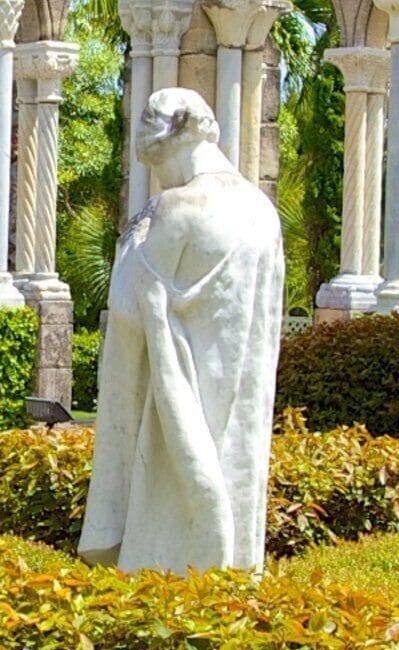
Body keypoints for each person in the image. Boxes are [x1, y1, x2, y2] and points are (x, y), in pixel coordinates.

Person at [81, 86, 285, 573]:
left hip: (178, 409)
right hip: (238, 403)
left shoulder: (179, 207)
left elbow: (131, 307)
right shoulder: (262, 211)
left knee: (167, 546)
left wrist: (133, 240)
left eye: (158, 167)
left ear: (168, 145)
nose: (162, 179)